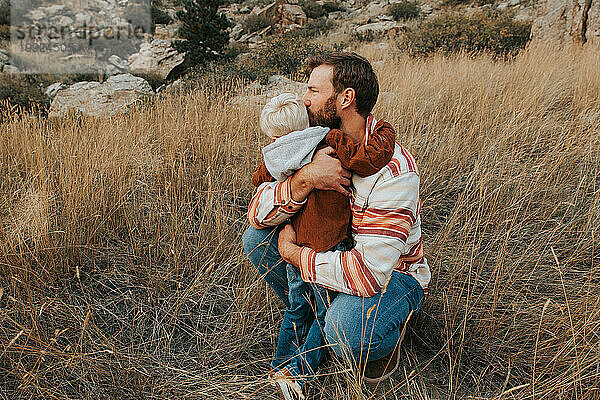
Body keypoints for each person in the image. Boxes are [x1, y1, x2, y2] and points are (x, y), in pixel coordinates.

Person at [242, 52, 431, 397]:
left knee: (347, 329)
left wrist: (294, 254)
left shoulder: (393, 171)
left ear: (345, 98)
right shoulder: (313, 141)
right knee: (255, 238)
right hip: (331, 253)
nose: (305, 98)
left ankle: (377, 341)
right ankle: (316, 317)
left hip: (394, 275)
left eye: (314, 90)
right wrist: (307, 178)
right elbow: (257, 211)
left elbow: (369, 274)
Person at [252, 92, 397, 398]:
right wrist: (385, 132)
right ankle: (298, 374)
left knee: (297, 307)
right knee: (323, 313)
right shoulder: (328, 139)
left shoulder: (275, 154)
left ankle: (280, 366)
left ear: (275, 134)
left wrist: (286, 171)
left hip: (297, 243)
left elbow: (259, 179)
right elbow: (366, 159)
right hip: (329, 244)